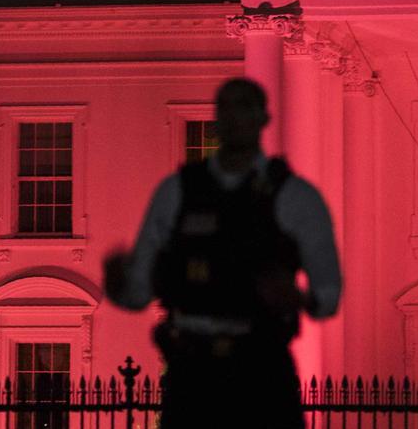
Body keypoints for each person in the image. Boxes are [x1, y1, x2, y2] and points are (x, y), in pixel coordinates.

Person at [104, 77, 341, 429]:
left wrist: (296, 298)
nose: (233, 117)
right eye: (225, 108)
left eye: (244, 107)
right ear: (216, 118)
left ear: (263, 118)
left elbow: (329, 294)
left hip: (261, 367)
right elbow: (138, 292)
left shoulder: (294, 196)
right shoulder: (178, 192)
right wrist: (116, 285)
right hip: (192, 371)